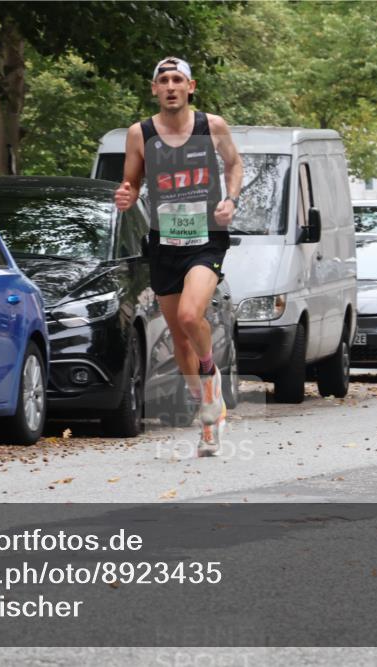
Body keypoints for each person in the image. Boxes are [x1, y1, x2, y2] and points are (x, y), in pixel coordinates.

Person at [114, 56, 243, 457]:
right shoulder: (140, 134)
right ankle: (208, 419)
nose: (170, 86)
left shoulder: (212, 126)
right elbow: (131, 183)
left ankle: (211, 379)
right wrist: (127, 195)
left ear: (191, 86)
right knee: (180, 340)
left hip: (207, 239)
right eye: (163, 80)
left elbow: (235, 164)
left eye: (177, 79)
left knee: (191, 316)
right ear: (154, 89)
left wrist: (230, 200)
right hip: (164, 243)